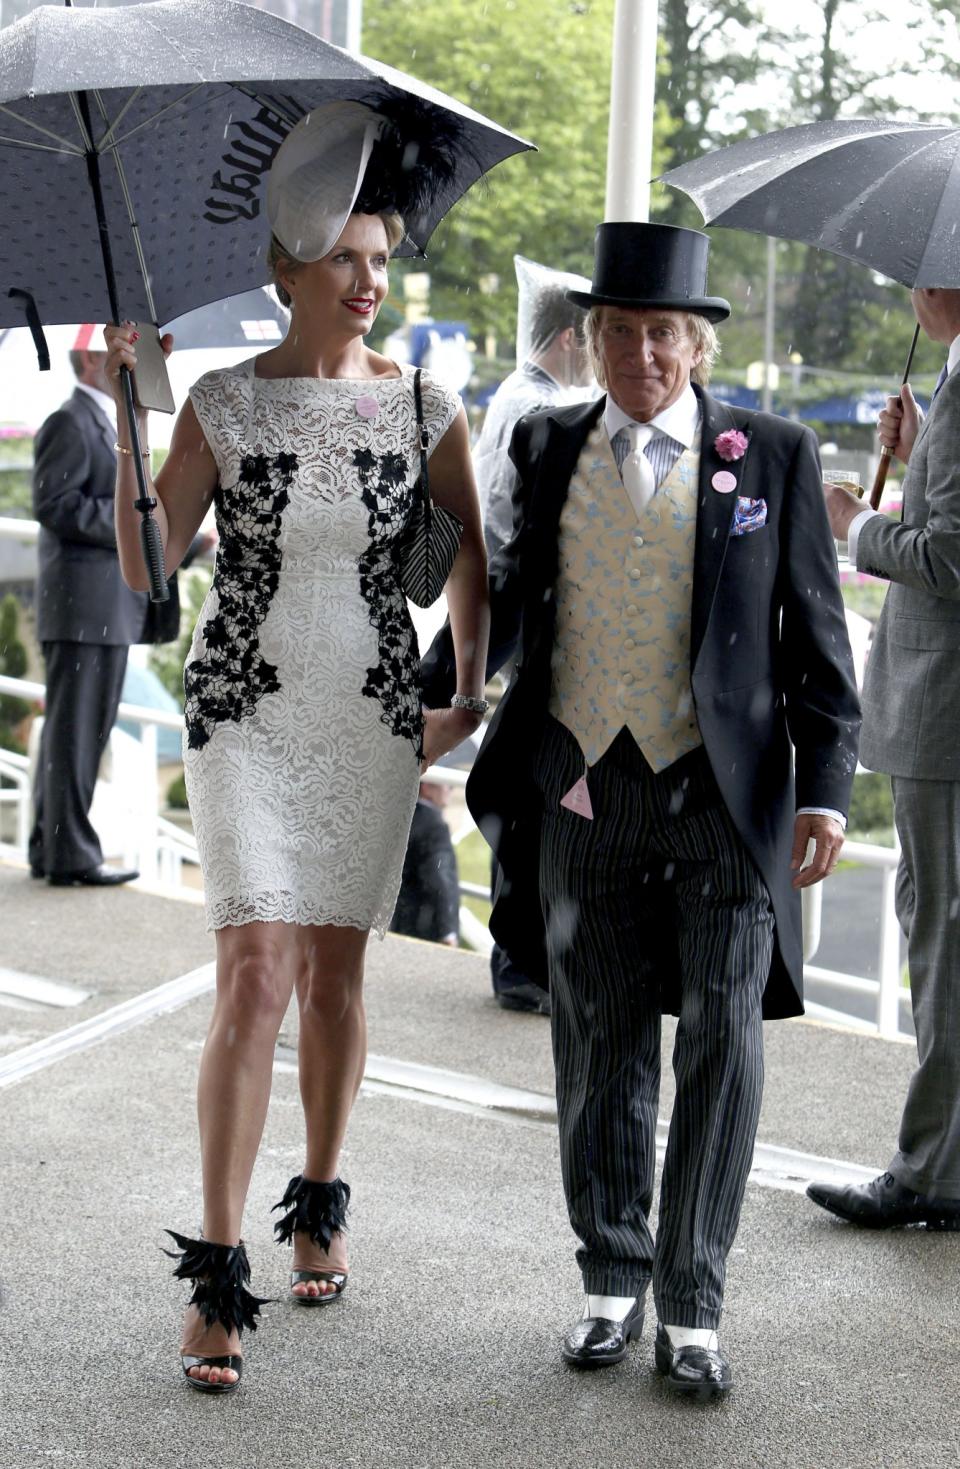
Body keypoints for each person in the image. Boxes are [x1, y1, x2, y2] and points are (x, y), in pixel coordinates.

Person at [422, 221, 860, 1397]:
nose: (642, 353)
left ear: (699, 342)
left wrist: (825, 789)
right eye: (621, 331)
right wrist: (436, 699)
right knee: (599, 1034)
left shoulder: (769, 452)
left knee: (722, 1033)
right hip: (580, 782)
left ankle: (695, 1301)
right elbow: (507, 594)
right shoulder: (551, 440)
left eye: (665, 331)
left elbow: (816, 642)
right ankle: (610, 1274)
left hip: (723, 797)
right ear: (592, 339)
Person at [105, 100, 489, 1395]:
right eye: (347, 260)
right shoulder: (219, 403)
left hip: (371, 715)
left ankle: (319, 1189)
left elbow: (465, 561)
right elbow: (150, 564)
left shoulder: (428, 406)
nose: (371, 283)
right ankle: (218, 1266)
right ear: (286, 270)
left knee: (335, 981)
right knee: (254, 977)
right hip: (246, 713)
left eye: (384, 261)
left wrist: (469, 694)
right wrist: (124, 414)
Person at [809, 287, 960, 1233]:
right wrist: (920, 444)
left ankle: (932, 1172)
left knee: (942, 938)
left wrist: (853, 522)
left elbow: (949, 557)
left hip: (946, 713)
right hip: (939, 712)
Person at [27, 330, 182, 887]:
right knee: (75, 736)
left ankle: (53, 849)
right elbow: (55, 504)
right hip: (81, 609)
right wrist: (133, 529)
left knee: (79, 734)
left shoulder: (97, 422)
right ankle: (69, 855)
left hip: (101, 609)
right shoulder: (70, 421)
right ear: (93, 359)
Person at [475, 281, 591, 1014]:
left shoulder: (510, 394)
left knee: (529, 781)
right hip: (535, 610)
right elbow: (521, 516)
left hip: (511, 604)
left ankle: (522, 952)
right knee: (542, 789)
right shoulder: (543, 408)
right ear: (570, 338)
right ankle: (526, 957)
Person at [390, 778, 460, 946]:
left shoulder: (399, 816)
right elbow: (440, 877)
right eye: (447, 785)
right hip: (424, 925)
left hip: (397, 919)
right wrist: (448, 930)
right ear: (427, 787)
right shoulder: (435, 824)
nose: (450, 791)